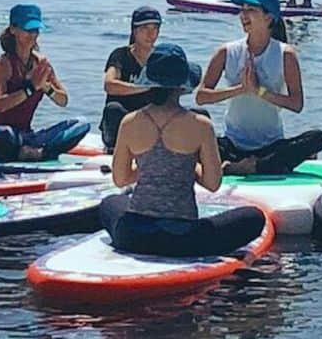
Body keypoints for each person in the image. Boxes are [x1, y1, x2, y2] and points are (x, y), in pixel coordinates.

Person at [99, 42, 266, 256]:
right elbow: (213, 183)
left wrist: (152, 168)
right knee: (254, 217)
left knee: (109, 204)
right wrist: (187, 166)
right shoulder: (200, 125)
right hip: (184, 238)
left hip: (134, 235)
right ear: (182, 85)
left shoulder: (129, 122)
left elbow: (120, 179)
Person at [195, 0, 322, 175]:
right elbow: (201, 96)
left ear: (269, 18)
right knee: (194, 125)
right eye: (243, 10)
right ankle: (248, 166)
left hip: (270, 146)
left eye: (252, 10)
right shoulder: (226, 52)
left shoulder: (285, 54)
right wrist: (240, 89)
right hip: (232, 145)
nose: (244, 15)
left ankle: (253, 167)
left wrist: (260, 91)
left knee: (316, 138)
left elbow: (296, 104)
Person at [0, 3, 90, 161]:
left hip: (25, 136)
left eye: (36, 30)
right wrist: (30, 88)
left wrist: (46, 87)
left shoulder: (42, 64)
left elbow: (63, 100)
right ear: (13, 30)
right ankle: (30, 154)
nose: (33, 35)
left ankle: (36, 153)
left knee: (81, 124)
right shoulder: (1, 64)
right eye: (28, 30)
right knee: (4, 135)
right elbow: (0, 104)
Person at [100, 6, 162, 151]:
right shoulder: (121, 55)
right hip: (123, 121)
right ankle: (113, 151)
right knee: (113, 109)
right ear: (134, 31)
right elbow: (109, 85)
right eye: (145, 28)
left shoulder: (161, 58)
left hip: (150, 121)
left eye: (155, 28)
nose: (150, 34)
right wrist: (145, 87)